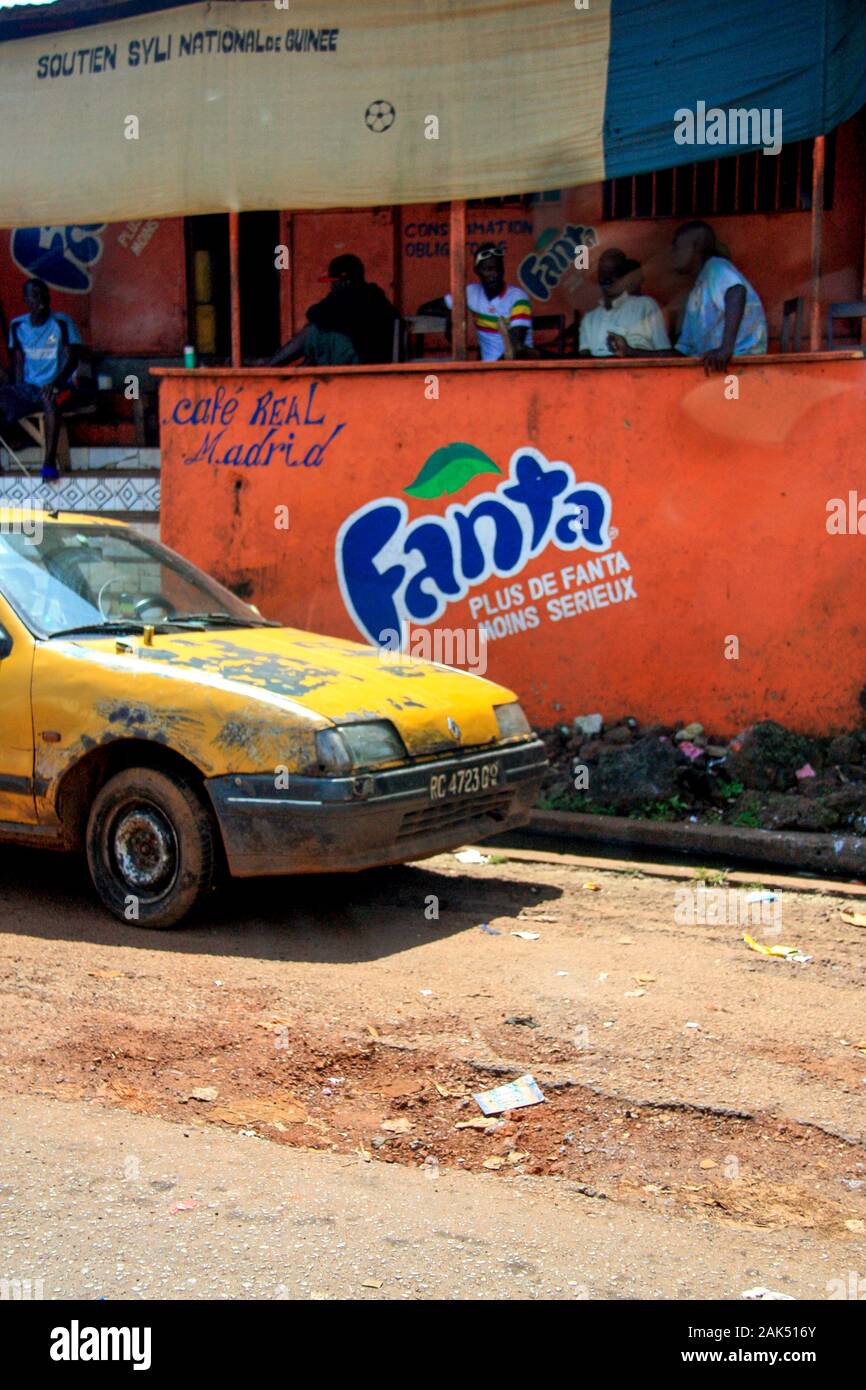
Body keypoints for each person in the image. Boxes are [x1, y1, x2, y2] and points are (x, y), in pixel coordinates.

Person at [1, 278, 88, 480]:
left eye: (44, 294)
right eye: (35, 295)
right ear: (26, 300)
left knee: (50, 401)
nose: (41, 299)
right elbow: (18, 362)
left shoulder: (61, 322)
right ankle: (13, 441)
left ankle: (49, 463)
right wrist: (17, 389)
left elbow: (73, 359)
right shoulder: (17, 326)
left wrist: (56, 383)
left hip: (59, 384)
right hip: (30, 387)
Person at [669, 220, 767, 371]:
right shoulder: (697, 291)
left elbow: (736, 292)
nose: (673, 253)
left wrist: (726, 349)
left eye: (677, 247)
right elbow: (683, 350)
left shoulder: (716, 267)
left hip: (741, 360)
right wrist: (632, 352)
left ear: (696, 248)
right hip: (718, 365)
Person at [270, 254, 397, 367]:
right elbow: (314, 312)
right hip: (356, 356)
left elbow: (319, 315)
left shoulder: (365, 297)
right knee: (317, 332)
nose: (331, 286)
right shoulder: (355, 295)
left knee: (314, 331)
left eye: (334, 282)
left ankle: (272, 364)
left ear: (346, 281)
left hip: (366, 359)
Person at [419, 243, 534, 361]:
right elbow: (424, 309)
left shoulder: (517, 297)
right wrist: (452, 313)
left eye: (498, 269)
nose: (494, 274)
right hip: (488, 370)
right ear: (477, 271)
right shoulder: (471, 293)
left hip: (515, 368)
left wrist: (494, 369)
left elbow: (515, 348)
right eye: (488, 269)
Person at [579, 248, 670, 357]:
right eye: (603, 274)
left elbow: (666, 355)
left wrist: (631, 352)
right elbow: (583, 360)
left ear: (625, 276)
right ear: (598, 276)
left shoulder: (645, 305)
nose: (608, 279)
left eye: (614, 273)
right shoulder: (589, 319)